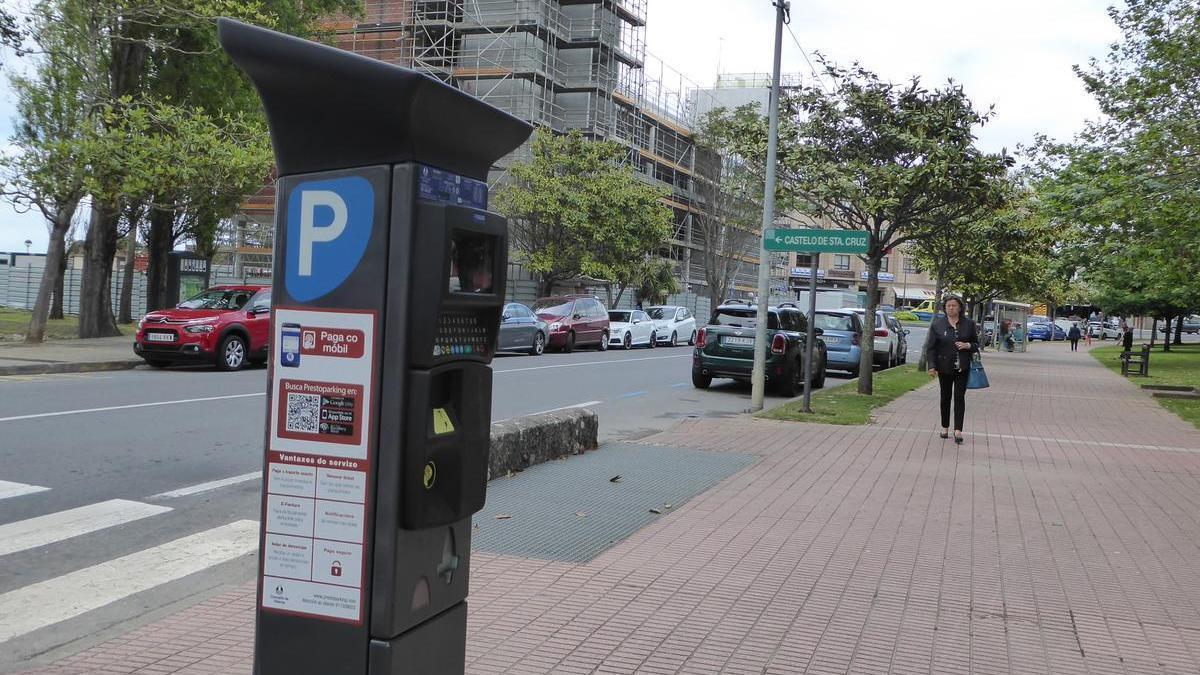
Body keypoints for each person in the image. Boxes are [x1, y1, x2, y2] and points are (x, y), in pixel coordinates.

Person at [926, 295, 980, 445]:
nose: (951, 308)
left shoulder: (968, 324)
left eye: (954, 305)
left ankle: (958, 430)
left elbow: (976, 344)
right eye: (948, 305)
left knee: (959, 397)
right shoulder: (937, 325)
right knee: (945, 397)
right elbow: (931, 348)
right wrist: (932, 366)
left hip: (962, 367)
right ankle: (945, 426)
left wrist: (967, 345)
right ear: (945, 308)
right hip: (944, 367)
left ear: (960, 307)